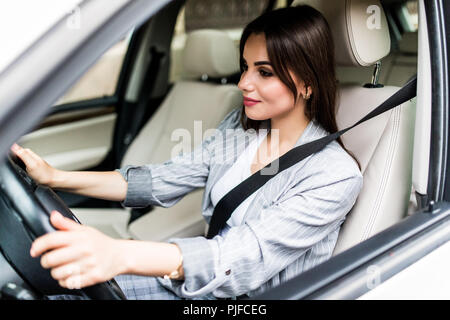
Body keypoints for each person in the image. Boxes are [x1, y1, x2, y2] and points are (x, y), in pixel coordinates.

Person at [10, 5, 363, 300]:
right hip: (200, 283)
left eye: (264, 72)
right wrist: (55, 177)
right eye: (244, 67)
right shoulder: (240, 131)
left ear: (307, 82)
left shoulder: (332, 174)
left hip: (246, 300)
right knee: (53, 289)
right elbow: (160, 181)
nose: (243, 83)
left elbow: (242, 256)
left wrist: (118, 253)